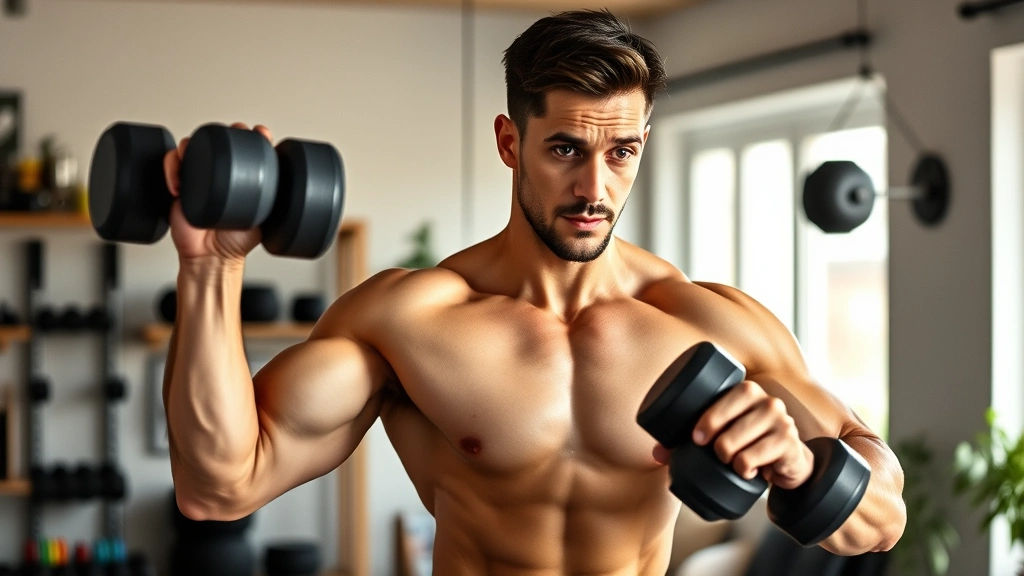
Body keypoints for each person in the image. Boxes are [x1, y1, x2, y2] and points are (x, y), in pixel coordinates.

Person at [162, 10, 906, 574]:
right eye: (565, 150)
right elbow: (219, 487)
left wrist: (804, 468)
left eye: (622, 153)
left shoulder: (707, 322)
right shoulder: (410, 323)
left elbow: (879, 522)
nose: (595, 188)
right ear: (510, 143)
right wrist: (211, 268)